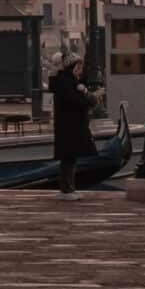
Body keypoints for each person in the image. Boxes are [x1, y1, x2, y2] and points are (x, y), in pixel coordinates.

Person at [48, 52, 99, 199]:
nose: (81, 69)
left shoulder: (66, 81)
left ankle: (69, 188)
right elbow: (79, 102)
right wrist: (87, 94)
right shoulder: (67, 83)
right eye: (79, 66)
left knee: (69, 158)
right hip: (70, 127)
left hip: (69, 126)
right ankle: (67, 189)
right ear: (72, 67)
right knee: (69, 158)